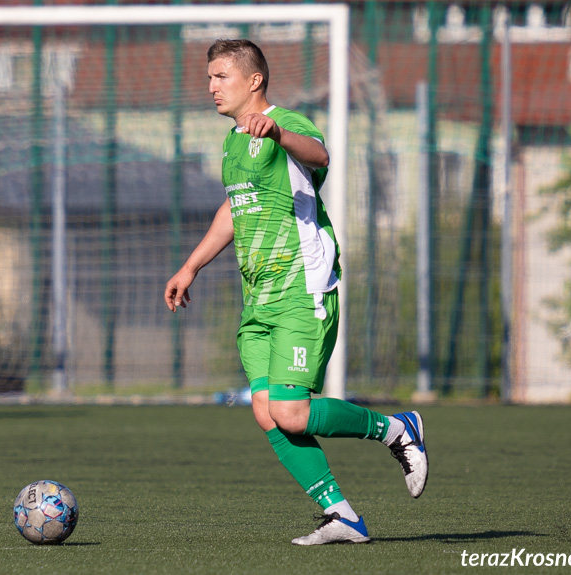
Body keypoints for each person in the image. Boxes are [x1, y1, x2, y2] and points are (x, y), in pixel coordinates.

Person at [164, 40, 428, 545]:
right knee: (267, 413)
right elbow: (233, 208)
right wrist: (191, 266)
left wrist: (280, 133)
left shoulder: (288, 125)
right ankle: (342, 516)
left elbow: (319, 154)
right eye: (210, 78)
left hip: (301, 289)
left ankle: (397, 429)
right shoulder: (231, 142)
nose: (212, 87)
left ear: (254, 80)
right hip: (258, 298)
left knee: (291, 411)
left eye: (221, 76)